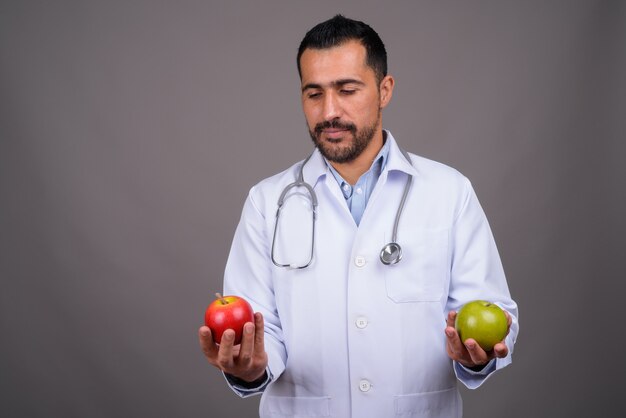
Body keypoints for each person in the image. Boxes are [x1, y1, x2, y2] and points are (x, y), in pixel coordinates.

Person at [199, 14, 518, 418]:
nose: (329, 111)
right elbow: (260, 330)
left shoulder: (449, 192)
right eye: (313, 94)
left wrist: (476, 354)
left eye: (347, 90)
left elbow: (488, 307)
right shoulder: (267, 201)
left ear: (385, 90)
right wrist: (251, 366)